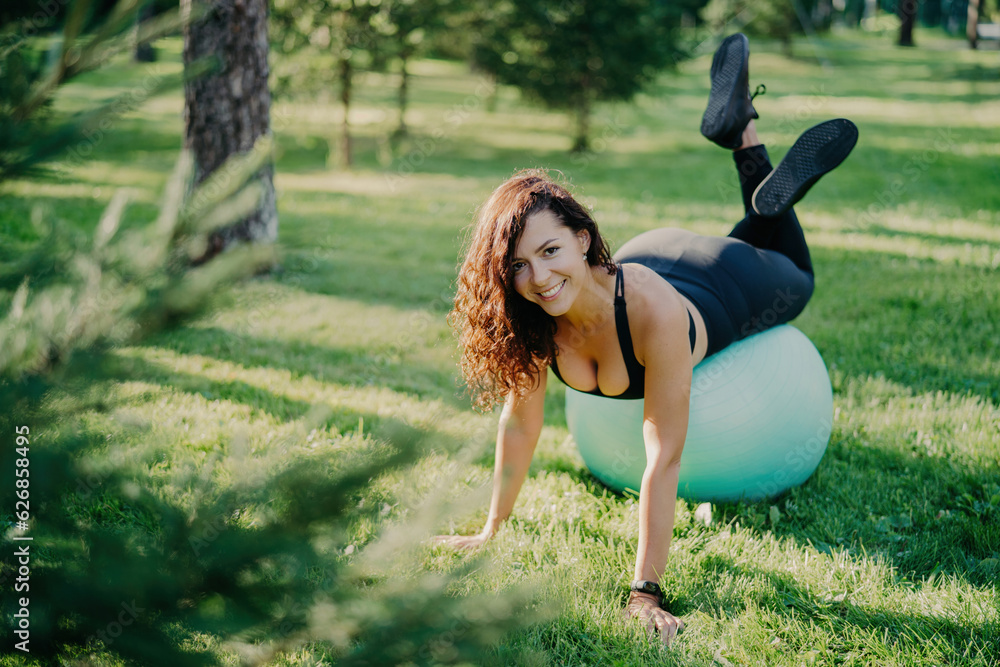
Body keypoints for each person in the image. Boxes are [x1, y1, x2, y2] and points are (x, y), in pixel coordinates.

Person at [433, 33, 858, 646]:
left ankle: (751, 160)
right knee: (763, 223)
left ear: (582, 238)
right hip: (645, 258)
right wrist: (490, 527)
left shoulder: (652, 316)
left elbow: (663, 458)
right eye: (519, 265)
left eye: (551, 251)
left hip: (708, 283)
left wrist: (644, 593)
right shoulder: (532, 317)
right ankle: (743, 136)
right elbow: (520, 424)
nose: (538, 278)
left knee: (795, 272)